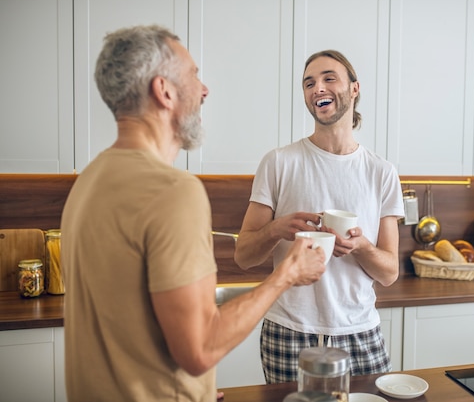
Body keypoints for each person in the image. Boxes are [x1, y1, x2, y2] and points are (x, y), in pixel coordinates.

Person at [60, 25, 326, 402]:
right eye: (194, 75)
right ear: (164, 91)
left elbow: (130, 322)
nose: (204, 90)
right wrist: (287, 274)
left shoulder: (89, 181)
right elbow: (200, 349)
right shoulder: (172, 191)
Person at [234, 50, 404, 383]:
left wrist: (361, 247)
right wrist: (277, 230)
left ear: (354, 89)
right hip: (289, 330)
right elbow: (243, 255)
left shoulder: (381, 172)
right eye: (309, 83)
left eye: (329, 78)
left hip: (359, 332)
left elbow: (389, 273)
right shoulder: (279, 163)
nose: (317, 88)